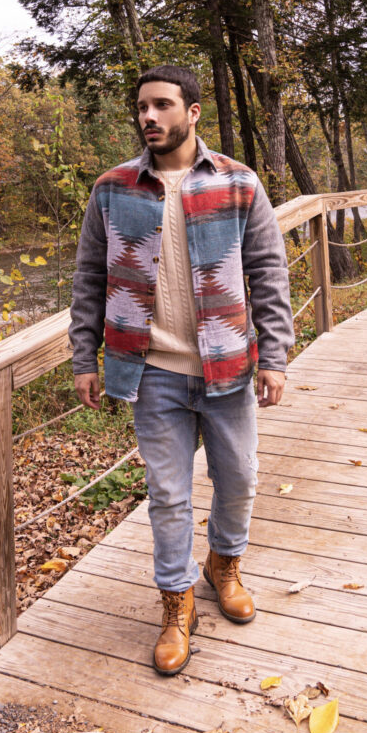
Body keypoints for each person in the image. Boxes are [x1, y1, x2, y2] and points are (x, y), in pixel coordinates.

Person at [69, 65, 294, 676]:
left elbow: (270, 274)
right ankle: (176, 604)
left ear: (192, 113)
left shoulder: (238, 183)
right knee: (168, 496)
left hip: (228, 368)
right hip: (152, 373)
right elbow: (89, 278)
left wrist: (273, 354)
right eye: (142, 107)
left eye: (163, 105)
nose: (149, 117)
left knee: (241, 477)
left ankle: (223, 565)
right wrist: (82, 356)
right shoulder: (112, 189)